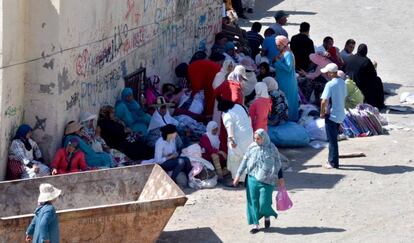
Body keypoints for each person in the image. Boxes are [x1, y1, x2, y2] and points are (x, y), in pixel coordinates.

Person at [233, 129, 285, 234]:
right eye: (255, 138)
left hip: (267, 180)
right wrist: (238, 175)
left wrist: (280, 178)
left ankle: (267, 215)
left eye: (258, 139)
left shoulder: (272, 148)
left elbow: (278, 163)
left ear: (264, 138)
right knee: (253, 202)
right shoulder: (252, 147)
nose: (256, 140)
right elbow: (245, 161)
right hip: (252, 179)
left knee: (264, 203)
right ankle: (255, 224)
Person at [218, 97, 253, 185]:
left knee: (235, 158)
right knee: (246, 156)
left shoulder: (226, 114)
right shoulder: (239, 106)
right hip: (249, 134)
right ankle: (246, 179)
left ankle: (236, 181)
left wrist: (232, 141)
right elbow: (249, 118)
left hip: (238, 138)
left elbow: (229, 128)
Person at [320, 63, 347, 169]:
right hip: (340, 114)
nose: (326, 75)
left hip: (331, 115)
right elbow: (343, 97)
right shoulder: (342, 82)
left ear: (331, 73)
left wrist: (322, 113)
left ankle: (333, 162)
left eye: (327, 73)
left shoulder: (330, 85)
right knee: (334, 139)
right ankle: (332, 159)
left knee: (332, 141)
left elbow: (323, 101)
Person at [344, 44, 385, 109]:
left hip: (349, 82)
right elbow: (373, 75)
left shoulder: (350, 58)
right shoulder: (366, 61)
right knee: (377, 80)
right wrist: (374, 67)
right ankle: (379, 104)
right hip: (360, 85)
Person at [273, 35, 299, 121]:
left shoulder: (288, 54)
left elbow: (288, 68)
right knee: (284, 100)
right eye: (276, 45)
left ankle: (291, 119)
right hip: (282, 80)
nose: (277, 47)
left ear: (284, 44)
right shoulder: (282, 53)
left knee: (289, 100)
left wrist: (277, 62)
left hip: (288, 82)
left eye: (278, 45)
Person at [212, 60, 235, 128]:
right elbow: (215, 86)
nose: (230, 68)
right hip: (219, 99)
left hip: (228, 100)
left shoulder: (233, 76)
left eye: (231, 66)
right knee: (218, 115)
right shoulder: (219, 75)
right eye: (228, 66)